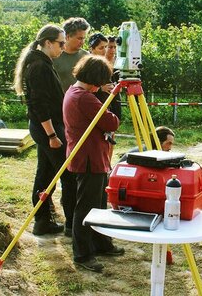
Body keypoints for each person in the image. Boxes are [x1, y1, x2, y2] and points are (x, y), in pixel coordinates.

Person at [63, 55, 125, 272]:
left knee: (99, 204)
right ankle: (82, 254)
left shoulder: (73, 91)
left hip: (89, 156)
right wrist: (110, 101)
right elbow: (112, 121)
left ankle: (100, 243)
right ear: (97, 79)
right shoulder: (86, 98)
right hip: (89, 158)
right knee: (87, 207)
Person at [13, 24, 76, 237]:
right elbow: (39, 104)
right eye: (60, 43)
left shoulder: (41, 63)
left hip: (45, 128)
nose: (63, 47)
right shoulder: (39, 66)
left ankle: (42, 221)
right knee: (67, 175)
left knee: (46, 174)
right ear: (47, 43)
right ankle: (71, 224)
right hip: (48, 129)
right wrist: (52, 135)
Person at [89, 33, 121, 119]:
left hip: (108, 105)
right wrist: (100, 89)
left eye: (106, 47)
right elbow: (82, 88)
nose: (105, 51)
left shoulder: (103, 64)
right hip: (95, 107)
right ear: (92, 49)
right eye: (101, 48)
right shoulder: (87, 65)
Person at [53, 17, 90, 92]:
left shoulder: (86, 56)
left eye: (84, 38)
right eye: (79, 38)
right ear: (67, 37)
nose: (82, 42)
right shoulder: (54, 56)